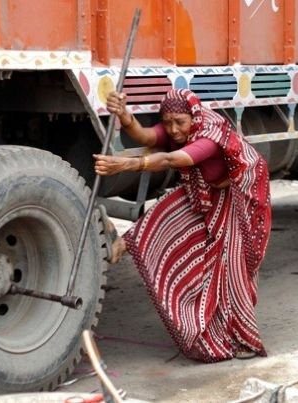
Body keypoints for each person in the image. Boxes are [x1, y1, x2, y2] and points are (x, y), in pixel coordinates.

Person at [94, 89, 271, 362]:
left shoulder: (210, 134)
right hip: (207, 189)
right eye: (167, 122)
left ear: (194, 117)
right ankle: (124, 243)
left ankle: (245, 338)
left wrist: (125, 165)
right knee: (166, 214)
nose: (174, 130)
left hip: (238, 198)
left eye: (179, 122)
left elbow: (170, 159)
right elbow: (145, 137)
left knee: (232, 268)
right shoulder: (177, 126)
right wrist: (123, 114)